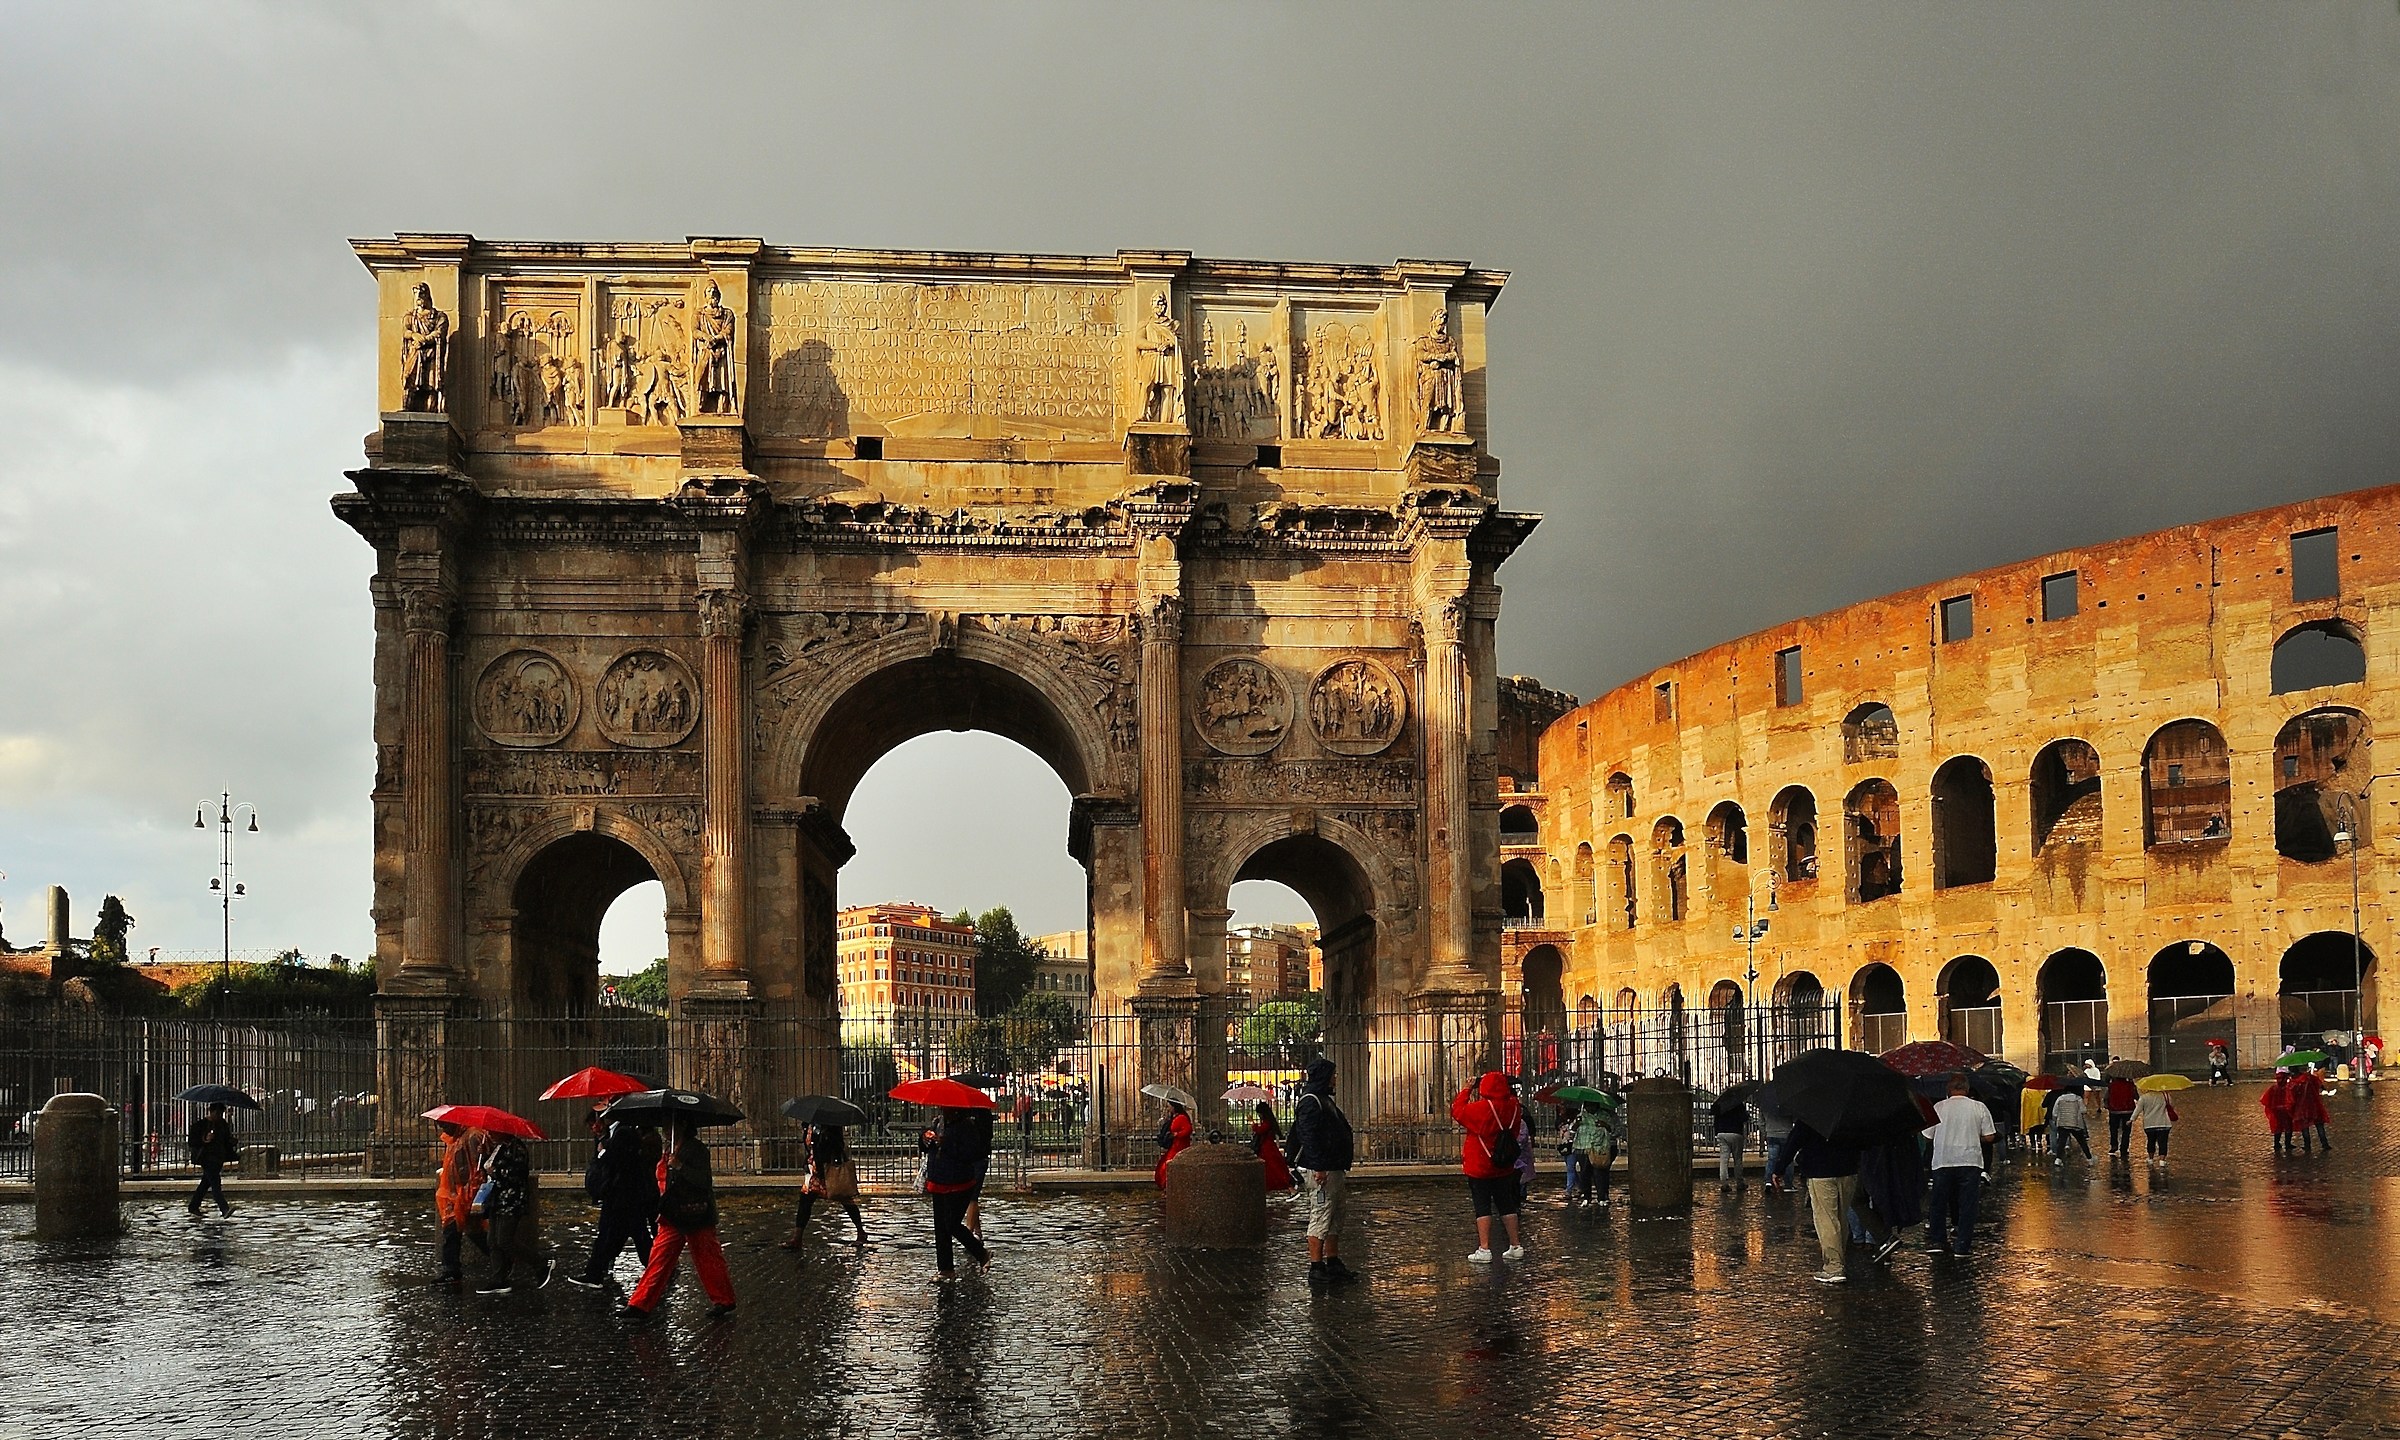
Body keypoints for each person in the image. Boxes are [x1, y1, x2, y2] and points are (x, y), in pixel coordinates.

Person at [622, 1118, 736, 1321]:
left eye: (670, 1126)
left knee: (708, 1258)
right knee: (659, 1259)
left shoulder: (696, 1149)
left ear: (682, 1126)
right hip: (672, 1214)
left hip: (696, 1213)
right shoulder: (669, 1148)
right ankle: (639, 1304)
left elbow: (703, 1180)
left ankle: (724, 1299)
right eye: (665, 1126)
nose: (665, 1130)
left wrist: (679, 1166)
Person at [1284, 1057, 1356, 1285]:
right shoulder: (1310, 1101)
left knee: (1335, 1215)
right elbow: (1309, 1137)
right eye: (1333, 1075)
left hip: (1333, 1167)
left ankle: (1333, 1262)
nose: (1335, 1078)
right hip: (1321, 1170)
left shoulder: (1322, 1099)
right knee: (1321, 1214)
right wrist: (1318, 1167)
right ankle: (1316, 1267)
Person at [568, 1110, 659, 1289]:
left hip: (622, 1196)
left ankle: (595, 1274)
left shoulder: (623, 1132)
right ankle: (597, 1272)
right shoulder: (616, 1133)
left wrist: (602, 1152)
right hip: (623, 1196)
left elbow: (617, 1162)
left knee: (614, 1235)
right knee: (631, 1236)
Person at [1792, 1119, 1891, 1283]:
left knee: (1827, 1220)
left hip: (1820, 1171)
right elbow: (1863, 1142)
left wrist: (1781, 1167)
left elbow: (1796, 1139)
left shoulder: (1812, 1113)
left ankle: (1834, 1267)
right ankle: (1839, 1260)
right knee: (1840, 1217)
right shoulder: (1848, 1115)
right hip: (1848, 1171)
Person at [1452, 1071, 1525, 1264]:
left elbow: (1457, 1111)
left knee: (1482, 1206)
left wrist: (1467, 1089)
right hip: (1504, 1163)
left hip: (1480, 1164)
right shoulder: (1514, 1106)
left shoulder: (1481, 1108)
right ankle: (1515, 1245)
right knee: (1506, 1204)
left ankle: (1484, 1248)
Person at [1923, 1073, 1997, 1257]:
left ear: (1948, 1089)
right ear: (1967, 1089)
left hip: (1943, 1160)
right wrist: (1974, 1135)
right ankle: (1962, 1245)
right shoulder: (1979, 1107)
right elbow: (1989, 1137)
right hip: (1970, 1160)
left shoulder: (1938, 1107)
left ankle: (1938, 1240)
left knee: (1939, 1202)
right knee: (1967, 1205)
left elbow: (1927, 1136)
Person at [474, 1130, 552, 1293]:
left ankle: (540, 1263)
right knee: (492, 1240)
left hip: (511, 1200)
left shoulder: (517, 1149)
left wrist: (495, 1172)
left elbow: (516, 1174)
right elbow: (486, 1168)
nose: (490, 1134)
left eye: (493, 1131)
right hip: (497, 1199)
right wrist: (483, 1156)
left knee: (504, 1239)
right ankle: (498, 1278)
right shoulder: (498, 1147)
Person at [923, 1105, 993, 1279]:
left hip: (959, 1181)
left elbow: (971, 1153)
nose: (943, 1109)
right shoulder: (938, 1122)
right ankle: (945, 1268)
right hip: (938, 1178)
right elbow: (926, 1148)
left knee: (951, 1224)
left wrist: (946, 1143)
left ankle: (980, 1253)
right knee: (940, 1226)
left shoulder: (967, 1126)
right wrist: (925, 1138)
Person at [783, 1123, 868, 1247]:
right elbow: (809, 1147)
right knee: (805, 1200)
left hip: (828, 1168)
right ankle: (797, 1238)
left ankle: (861, 1232)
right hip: (814, 1170)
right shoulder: (808, 1125)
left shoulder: (831, 1125)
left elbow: (838, 1145)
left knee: (845, 1199)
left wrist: (826, 1138)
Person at [433, 1122, 488, 1285]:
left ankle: (502, 1258)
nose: (443, 1129)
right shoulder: (455, 1138)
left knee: (471, 1231)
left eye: (444, 1125)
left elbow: (476, 1167)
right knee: (454, 1231)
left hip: (464, 1193)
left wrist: (470, 1191)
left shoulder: (472, 1136)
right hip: (454, 1194)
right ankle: (451, 1269)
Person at [185, 1102, 239, 1218]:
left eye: (221, 1113)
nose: (219, 1116)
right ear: (211, 1111)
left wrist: (232, 1141)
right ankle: (224, 1209)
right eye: (217, 1113)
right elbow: (192, 1142)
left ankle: (193, 1206)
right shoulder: (200, 1125)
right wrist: (205, 1140)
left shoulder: (223, 1124)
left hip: (219, 1158)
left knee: (205, 1183)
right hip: (206, 1158)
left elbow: (225, 1140)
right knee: (215, 1183)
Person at [1711, 1089, 1750, 1194]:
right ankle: (1739, 1182)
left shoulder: (1719, 1104)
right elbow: (1744, 1118)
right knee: (1737, 1159)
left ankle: (1724, 1183)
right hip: (1736, 1133)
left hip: (1722, 1133)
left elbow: (1715, 1120)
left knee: (1724, 1160)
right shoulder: (1738, 1104)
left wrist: (1717, 1133)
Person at [1757, 1096, 1796, 1194]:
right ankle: (1788, 1184)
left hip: (1771, 1134)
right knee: (1788, 1159)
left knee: (1771, 1159)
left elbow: (1761, 1122)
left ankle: (1768, 1181)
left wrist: (1765, 1132)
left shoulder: (1765, 1105)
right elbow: (1795, 1119)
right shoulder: (1788, 1103)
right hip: (1786, 1134)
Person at [2289, 1066, 2332, 1154]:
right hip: (2315, 1103)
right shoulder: (2309, 1077)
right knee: (2319, 1125)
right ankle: (2325, 1144)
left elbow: (2292, 1096)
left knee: (2305, 1126)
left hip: (2302, 1106)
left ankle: (2307, 1144)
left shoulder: (2294, 1082)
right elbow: (2320, 1085)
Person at [1252, 1102, 1293, 1193]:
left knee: (1273, 1167)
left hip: (1267, 1147)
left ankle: (1281, 1183)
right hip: (1267, 1146)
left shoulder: (1267, 1122)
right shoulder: (1268, 1121)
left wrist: (1254, 1125)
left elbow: (1260, 1130)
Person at [1153, 1100, 1193, 1189]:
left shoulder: (1182, 1117)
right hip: (1174, 1145)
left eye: (1169, 1106)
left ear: (1174, 1107)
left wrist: (1177, 1134)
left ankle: (1169, 1184)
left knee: (1167, 1165)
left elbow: (1188, 1129)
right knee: (1164, 1165)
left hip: (1179, 1146)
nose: (1168, 1108)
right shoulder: (1174, 1117)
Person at [2134, 1086, 2178, 1165]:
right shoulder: (2166, 1095)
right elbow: (2171, 1106)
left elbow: (2138, 1109)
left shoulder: (2144, 1097)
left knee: (2151, 1141)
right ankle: (2162, 1160)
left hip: (2149, 1124)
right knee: (2163, 1142)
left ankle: (2150, 1159)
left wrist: (2132, 1119)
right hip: (2164, 1123)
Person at [2049, 1086, 2092, 1164]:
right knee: (2082, 1142)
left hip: (2063, 1123)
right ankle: (2089, 1159)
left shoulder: (2060, 1098)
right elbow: (2083, 1110)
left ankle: (2058, 1159)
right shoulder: (2078, 1099)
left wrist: (2056, 1120)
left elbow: (2054, 1112)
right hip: (2076, 1123)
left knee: (2061, 1142)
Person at [2103, 1072, 2139, 1159]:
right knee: (2126, 1130)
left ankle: (2114, 1145)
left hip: (2114, 1110)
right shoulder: (2130, 1085)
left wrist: (2107, 1105)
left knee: (2113, 1129)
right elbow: (2136, 1096)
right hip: (2128, 1110)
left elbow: (2106, 1097)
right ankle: (2124, 1147)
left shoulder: (2111, 1085)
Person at [2263, 1069, 2296, 1154]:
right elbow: (2291, 1099)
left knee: (2278, 1127)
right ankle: (2287, 1143)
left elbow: (2266, 1099)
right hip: (2285, 1110)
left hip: (2276, 1110)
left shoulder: (2273, 1088)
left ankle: (2277, 1143)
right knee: (2287, 1127)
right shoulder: (2287, 1088)